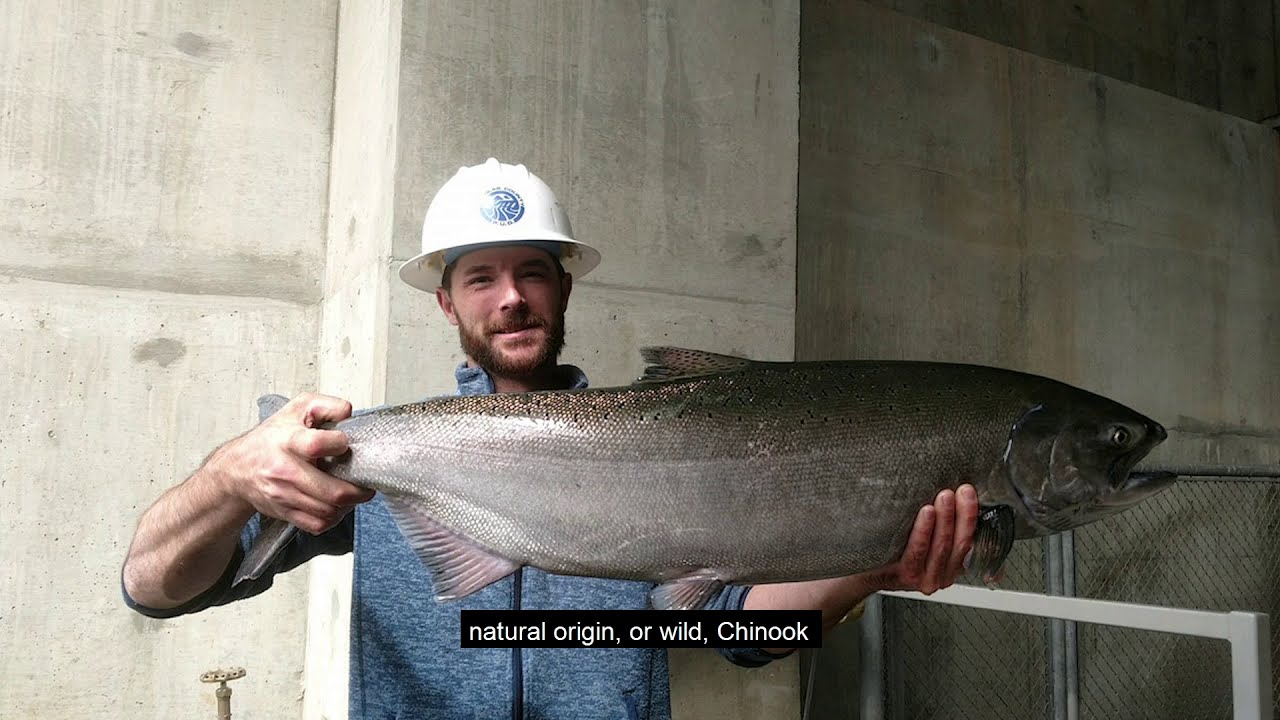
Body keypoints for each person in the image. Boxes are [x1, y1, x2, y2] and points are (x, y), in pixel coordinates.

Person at [121, 158, 979, 720]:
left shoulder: (678, 452)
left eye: (532, 270)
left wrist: (879, 567)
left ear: (563, 288)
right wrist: (231, 477)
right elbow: (153, 587)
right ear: (447, 303)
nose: (511, 298)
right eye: (481, 277)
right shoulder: (372, 462)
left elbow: (744, 639)